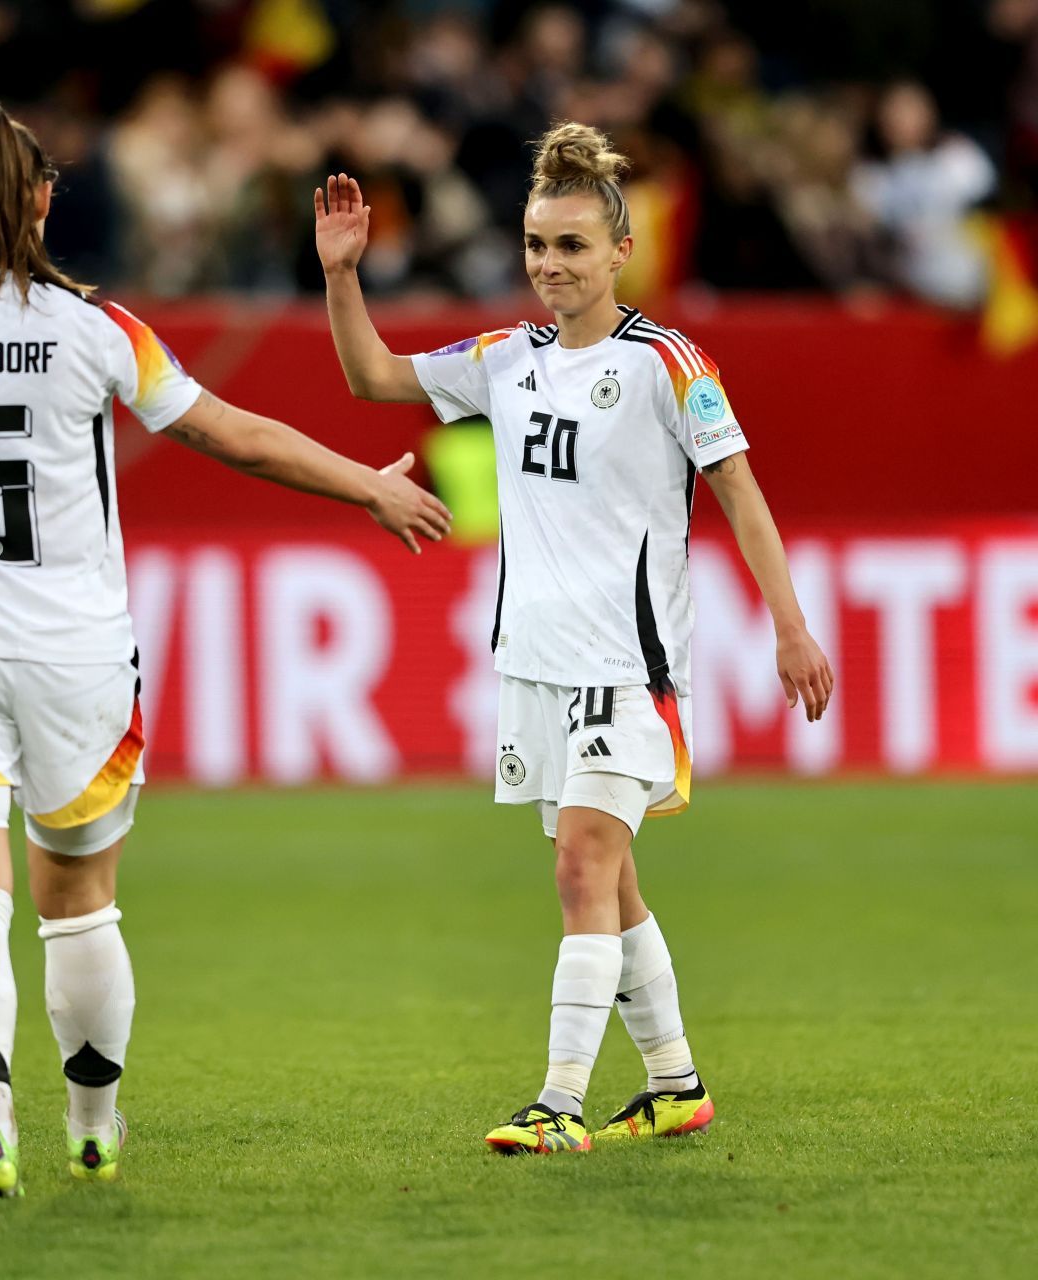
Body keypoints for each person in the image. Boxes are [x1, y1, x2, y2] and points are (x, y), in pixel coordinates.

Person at [0, 101, 450, 1198]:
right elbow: (232, 433)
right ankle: (94, 1124)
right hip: (76, 657)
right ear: (47, 197)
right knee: (81, 901)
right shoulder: (96, 328)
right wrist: (370, 485)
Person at [314, 123, 834, 1154]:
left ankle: (558, 1101)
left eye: (572, 247)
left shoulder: (667, 363)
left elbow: (739, 489)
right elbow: (373, 375)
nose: (551, 265)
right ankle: (675, 1081)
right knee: (612, 879)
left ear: (619, 252)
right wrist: (341, 276)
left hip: (628, 668)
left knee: (581, 874)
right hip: (535, 667)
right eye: (538, 246)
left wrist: (790, 625)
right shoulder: (505, 359)